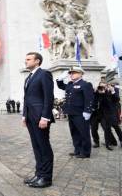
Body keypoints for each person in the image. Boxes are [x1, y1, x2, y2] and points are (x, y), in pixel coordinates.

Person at [22, 52, 54, 188]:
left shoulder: (44, 74)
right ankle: (39, 174)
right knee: (36, 147)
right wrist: (24, 115)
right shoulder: (28, 77)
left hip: (41, 118)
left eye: (28, 59)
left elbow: (48, 97)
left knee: (43, 146)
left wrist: (45, 117)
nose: (26, 61)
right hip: (30, 117)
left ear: (37, 61)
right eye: (26, 59)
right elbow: (26, 99)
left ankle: (46, 178)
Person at [56, 66, 94, 158]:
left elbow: (89, 99)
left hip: (81, 113)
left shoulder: (86, 84)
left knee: (83, 133)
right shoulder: (70, 84)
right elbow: (61, 86)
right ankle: (77, 150)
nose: (72, 74)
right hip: (71, 112)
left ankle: (85, 152)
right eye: (71, 73)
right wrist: (60, 78)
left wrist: (87, 111)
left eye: (74, 72)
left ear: (81, 74)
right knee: (74, 133)